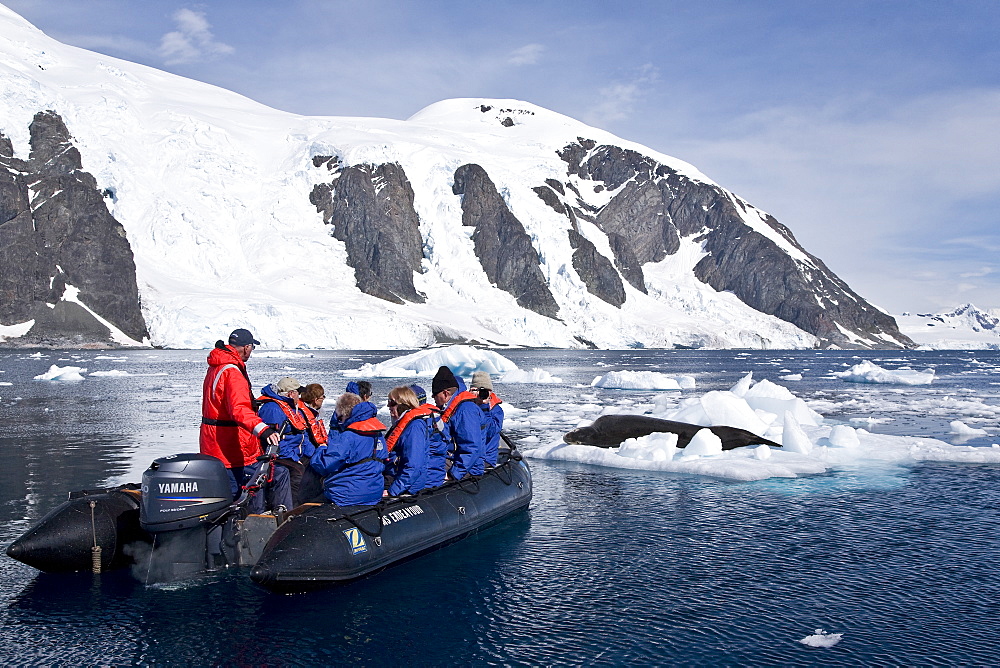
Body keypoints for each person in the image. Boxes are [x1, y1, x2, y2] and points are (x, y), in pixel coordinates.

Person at [199, 328, 282, 509]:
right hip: (228, 447)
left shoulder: (216, 367)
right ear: (246, 347)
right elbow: (238, 409)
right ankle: (252, 527)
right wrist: (263, 429)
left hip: (212, 442)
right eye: (252, 347)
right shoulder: (232, 372)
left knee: (224, 494)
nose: (251, 352)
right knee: (246, 490)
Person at [310, 392, 388, 507]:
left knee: (308, 502)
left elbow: (325, 465)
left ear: (344, 413)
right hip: (374, 493)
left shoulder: (348, 436)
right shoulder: (377, 434)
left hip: (347, 495)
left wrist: (320, 450)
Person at [256, 376, 317, 508]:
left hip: (296, 452)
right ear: (291, 394)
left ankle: (311, 505)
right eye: (298, 393)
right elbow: (275, 441)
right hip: (280, 455)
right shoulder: (273, 409)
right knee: (298, 472)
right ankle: (292, 510)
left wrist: (314, 454)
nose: (299, 397)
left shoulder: (293, 409)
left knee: (316, 467)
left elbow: (302, 434)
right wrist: (294, 458)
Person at [431, 365, 485, 480]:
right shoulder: (454, 407)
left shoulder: (465, 410)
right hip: (454, 460)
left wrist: (454, 474)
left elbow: (472, 446)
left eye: (435, 394)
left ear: (445, 393)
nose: (433, 397)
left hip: (468, 468)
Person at [383, 386, 433, 496]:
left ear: (403, 405)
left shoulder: (414, 427)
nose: (388, 406)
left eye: (392, 403)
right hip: (394, 477)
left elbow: (414, 465)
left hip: (403, 486)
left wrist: (393, 491)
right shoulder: (401, 424)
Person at [297, 383, 328, 503]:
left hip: (313, 452)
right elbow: (303, 437)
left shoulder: (311, 412)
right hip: (307, 456)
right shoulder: (302, 414)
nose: (323, 400)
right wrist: (316, 454)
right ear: (315, 400)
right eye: (322, 397)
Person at [470, 371, 504, 467]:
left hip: (486, 459)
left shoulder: (496, 411)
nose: (480, 394)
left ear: (490, 392)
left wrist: (484, 408)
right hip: (469, 458)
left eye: (484, 390)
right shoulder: (467, 407)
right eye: (476, 390)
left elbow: (490, 432)